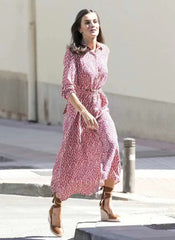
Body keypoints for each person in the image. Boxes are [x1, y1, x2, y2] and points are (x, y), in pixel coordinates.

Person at [48, 9, 121, 237]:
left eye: (95, 21)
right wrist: (84, 112)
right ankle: (56, 206)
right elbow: (67, 88)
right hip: (78, 110)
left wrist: (94, 111)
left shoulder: (104, 51)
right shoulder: (73, 54)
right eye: (87, 23)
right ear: (79, 28)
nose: (92, 25)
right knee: (71, 160)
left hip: (100, 105)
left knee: (113, 146)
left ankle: (106, 204)